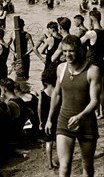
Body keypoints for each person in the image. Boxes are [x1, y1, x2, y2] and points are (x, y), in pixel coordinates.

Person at [45, 35, 102, 177]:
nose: (67, 55)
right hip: (64, 121)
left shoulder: (92, 70)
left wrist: (80, 116)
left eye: (71, 51)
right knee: (64, 166)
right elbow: (57, 95)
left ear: (80, 50)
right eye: (64, 51)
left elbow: (95, 101)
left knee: (87, 166)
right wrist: (49, 119)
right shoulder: (61, 68)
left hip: (86, 123)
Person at [38, 66, 59, 169]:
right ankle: (60, 159)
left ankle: (49, 163)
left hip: (46, 119)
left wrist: (40, 121)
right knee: (58, 141)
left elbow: (39, 108)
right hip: (57, 118)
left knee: (48, 142)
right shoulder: (58, 91)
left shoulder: (43, 93)